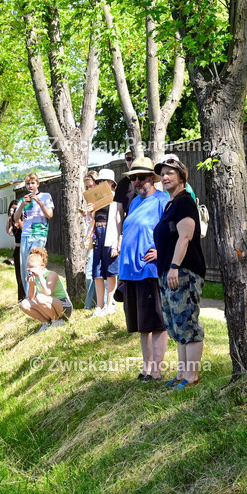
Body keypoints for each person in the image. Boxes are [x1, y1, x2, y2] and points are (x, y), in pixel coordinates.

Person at [153, 155, 207, 389]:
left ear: (182, 176)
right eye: (162, 173)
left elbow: (185, 235)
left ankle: (191, 378)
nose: (165, 177)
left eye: (170, 173)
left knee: (187, 322)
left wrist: (174, 266)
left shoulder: (185, 201)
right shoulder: (171, 203)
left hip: (183, 270)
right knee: (176, 325)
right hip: (168, 271)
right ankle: (181, 375)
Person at [119, 157, 171, 381]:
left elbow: (174, 231)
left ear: (152, 177)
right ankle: (146, 369)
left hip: (150, 270)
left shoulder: (162, 199)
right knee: (141, 323)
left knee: (156, 321)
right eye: (133, 178)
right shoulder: (134, 202)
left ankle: (157, 370)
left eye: (141, 177)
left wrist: (162, 252)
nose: (137, 181)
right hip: (131, 271)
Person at [11, 173, 54, 297]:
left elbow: (49, 215)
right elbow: (15, 219)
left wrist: (39, 201)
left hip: (39, 235)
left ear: (37, 184)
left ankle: (40, 295)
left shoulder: (46, 196)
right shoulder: (22, 200)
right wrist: (23, 204)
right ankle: (28, 296)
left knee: (35, 265)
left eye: (33, 183)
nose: (30, 186)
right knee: (25, 267)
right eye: (28, 184)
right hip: (26, 235)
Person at [88, 169, 122, 317]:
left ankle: (110, 304)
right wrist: (90, 213)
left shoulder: (116, 198)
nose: (102, 184)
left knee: (111, 271)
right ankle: (99, 306)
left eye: (105, 181)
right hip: (98, 235)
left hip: (110, 235)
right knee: (97, 271)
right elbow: (92, 221)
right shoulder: (96, 199)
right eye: (100, 181)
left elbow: (119, 223)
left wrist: (116, 244)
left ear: (111, 183)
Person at [18, 247, 72, 333]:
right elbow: (31, 297)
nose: (31, 271)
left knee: (40, 298)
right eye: (29, 268)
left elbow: (48, 292)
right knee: (24, 304)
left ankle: (57, 321)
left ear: (42, 266)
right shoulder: (35, 277)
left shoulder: (51, 274)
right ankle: (46, 323)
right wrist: (31, 283)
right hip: (50, 306)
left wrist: (39, 276)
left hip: (64, 306)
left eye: (33, 268)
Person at [81, 171, 99, 311]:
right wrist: (87, 213)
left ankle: (90, 304)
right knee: (89, 272)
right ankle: (92, 301)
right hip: (91, 236)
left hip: (99, 236)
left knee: (93, 271)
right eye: (87, 187)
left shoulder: (102, 198)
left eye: (91, 186)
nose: (89, 190)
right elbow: (91, 220)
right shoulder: (89, 201)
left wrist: (92, 212)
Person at [6, 199, 25, 302]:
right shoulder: (12, 220)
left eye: (15, 208)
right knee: (18, 275)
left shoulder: (23, 218)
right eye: (12, 208)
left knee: (26, 273)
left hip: (25, 248)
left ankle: (28, 295)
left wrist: (18, 216)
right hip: (17, 249)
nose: (13, 210)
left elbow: (24, 228)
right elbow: (8, 231)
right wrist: (10, 217)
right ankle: (20, 298)